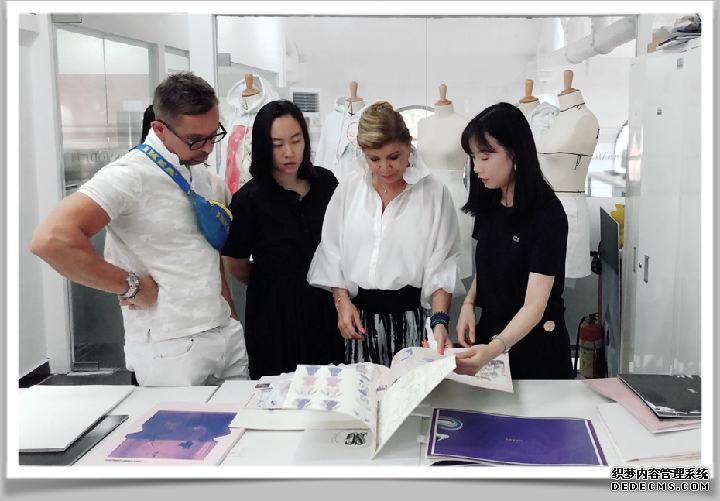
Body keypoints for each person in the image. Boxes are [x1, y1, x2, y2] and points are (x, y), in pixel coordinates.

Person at [30, 71, 249, 386]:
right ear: (159, 129)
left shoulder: (193, 168)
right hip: (171, 343)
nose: (208, 148)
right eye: (196, 139)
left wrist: (230, 316)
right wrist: (129, 286)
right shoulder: (128, 175)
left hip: (222, 329)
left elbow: (203, 249)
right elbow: (51, 240)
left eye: (214, 135)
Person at [307, 101, 465, 367]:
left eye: (394, 157)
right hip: (359, 319)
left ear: (409, 145)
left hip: (412, 320)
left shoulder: (434, 194)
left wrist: (439, 322)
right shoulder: (349, 189)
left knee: (411, 391)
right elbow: (331, 251)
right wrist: (342, 302)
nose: (384, 168)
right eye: (374, 159)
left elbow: (443, 265)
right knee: (362, 390)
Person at [221, 100, 345, 379]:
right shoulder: (248, 200)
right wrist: (273, 281)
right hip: (273, 315)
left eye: (296, 140)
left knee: (329, 386)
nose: (289, 152)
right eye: (277, 145)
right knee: (276, 391)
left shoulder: (327, 184)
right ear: (262, 147)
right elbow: (235, 264)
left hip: (325, 308)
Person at [454, 102, 574, 380]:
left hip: (535, 343)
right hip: (491, 333)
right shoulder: (490, 200)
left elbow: (534, 305)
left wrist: (495, 348)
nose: (477, 167)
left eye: (485, 157)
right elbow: (488, 265)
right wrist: (469, 304)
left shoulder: (547, 214)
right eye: (473, 157)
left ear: (515, 153)